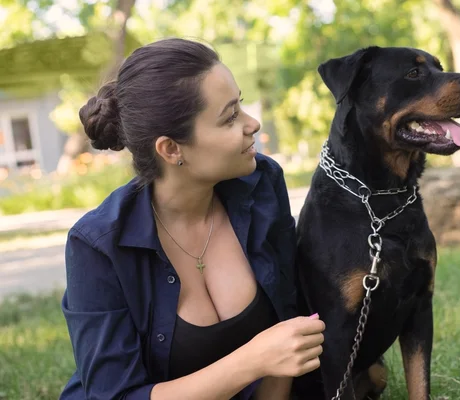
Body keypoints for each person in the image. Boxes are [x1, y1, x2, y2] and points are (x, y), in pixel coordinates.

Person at [59, 38, 325, 400]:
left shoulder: (261, 185)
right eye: (230, 116)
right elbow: (115, 395)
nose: (253, 123)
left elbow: (288, 323)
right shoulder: (97, 244)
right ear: (171, 148)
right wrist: (252, 361)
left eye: (241, 105)